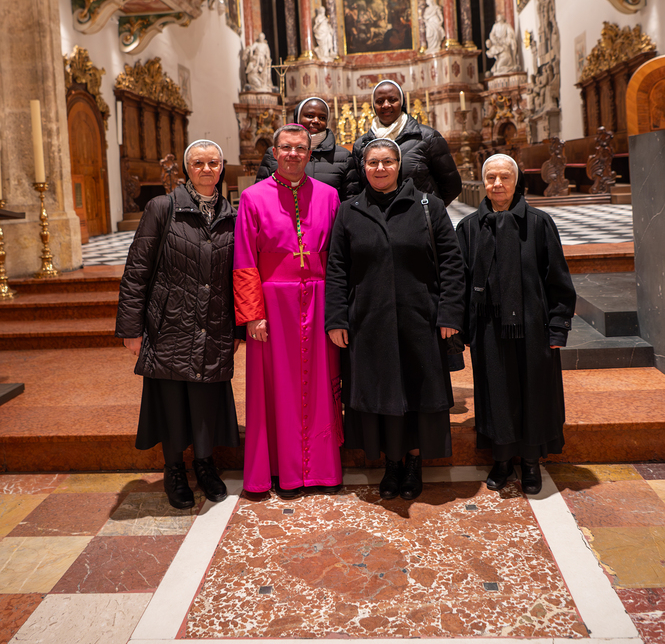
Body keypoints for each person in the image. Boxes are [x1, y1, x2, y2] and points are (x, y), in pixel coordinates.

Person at [326, 139, 465, 500]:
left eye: (387, 161)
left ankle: (414, 463)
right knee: (382, 392)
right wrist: (337, 318)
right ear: (364, 168)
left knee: (418, 392)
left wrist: (449, 313)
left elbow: (452, 264)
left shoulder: (428, 206)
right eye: (373, 162)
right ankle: (391, 464)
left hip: (420, 319)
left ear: (399, 166)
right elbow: (337, 269)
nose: (380, 168)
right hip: (369, 321)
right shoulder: (349, 211)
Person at [116, 139, 241, 510]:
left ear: (222, 167)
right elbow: (137, 268)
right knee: (171, 400)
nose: (206, 169)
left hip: (214, 322)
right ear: (187, 168)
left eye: (213, 163)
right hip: (170, 321)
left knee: (205, 400)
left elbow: (239, 275)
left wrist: (236, 328)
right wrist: (131, 328)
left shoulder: (232, 214)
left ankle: (204, 464)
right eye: (198, 163)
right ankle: (174, 469)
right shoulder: (162, 207)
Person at [455, 154, 576, 495]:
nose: (497, 184)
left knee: (534, 393)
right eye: (490, 177)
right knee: (496, 393)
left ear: (516, 180)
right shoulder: (469, 228)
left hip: (533, 326)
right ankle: (502, 459)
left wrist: (558, 327)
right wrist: (463, 329)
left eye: (504, 177)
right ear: (483, 182)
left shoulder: (538, 223)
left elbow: (558, 280)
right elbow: (460, 282)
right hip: (488, 329)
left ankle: (531, 461)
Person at [234, 122, 343, 498]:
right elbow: (244, 260)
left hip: (319, 299)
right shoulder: (252, 197)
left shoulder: (329, 195)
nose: (293, 154)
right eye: (286, 148)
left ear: (310, 154)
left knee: (319, 387)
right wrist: (253, 314)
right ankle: (281, 472)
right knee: (275, 389)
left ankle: (322, 470)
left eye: (300, 148)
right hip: (272, 307)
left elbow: (338, 259)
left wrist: (337, 309)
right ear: (275, 152)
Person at [347, 79, 462, 204]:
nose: (386, 105)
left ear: (401, 102)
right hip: (377, 214)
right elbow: (358, 189)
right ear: (373, 105)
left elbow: (452, 185)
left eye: (392, 100)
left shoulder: (427, 137)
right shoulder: (361, 144)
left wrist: (430, 209)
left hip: (418, 214)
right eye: (380, 101)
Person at [255, 97, 350, 199]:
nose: (316, 121)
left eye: (322, 118)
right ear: (297, 118)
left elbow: (350, 199)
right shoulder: (274, 152)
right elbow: (260, 192)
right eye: (309, 116)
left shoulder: (343, 156)